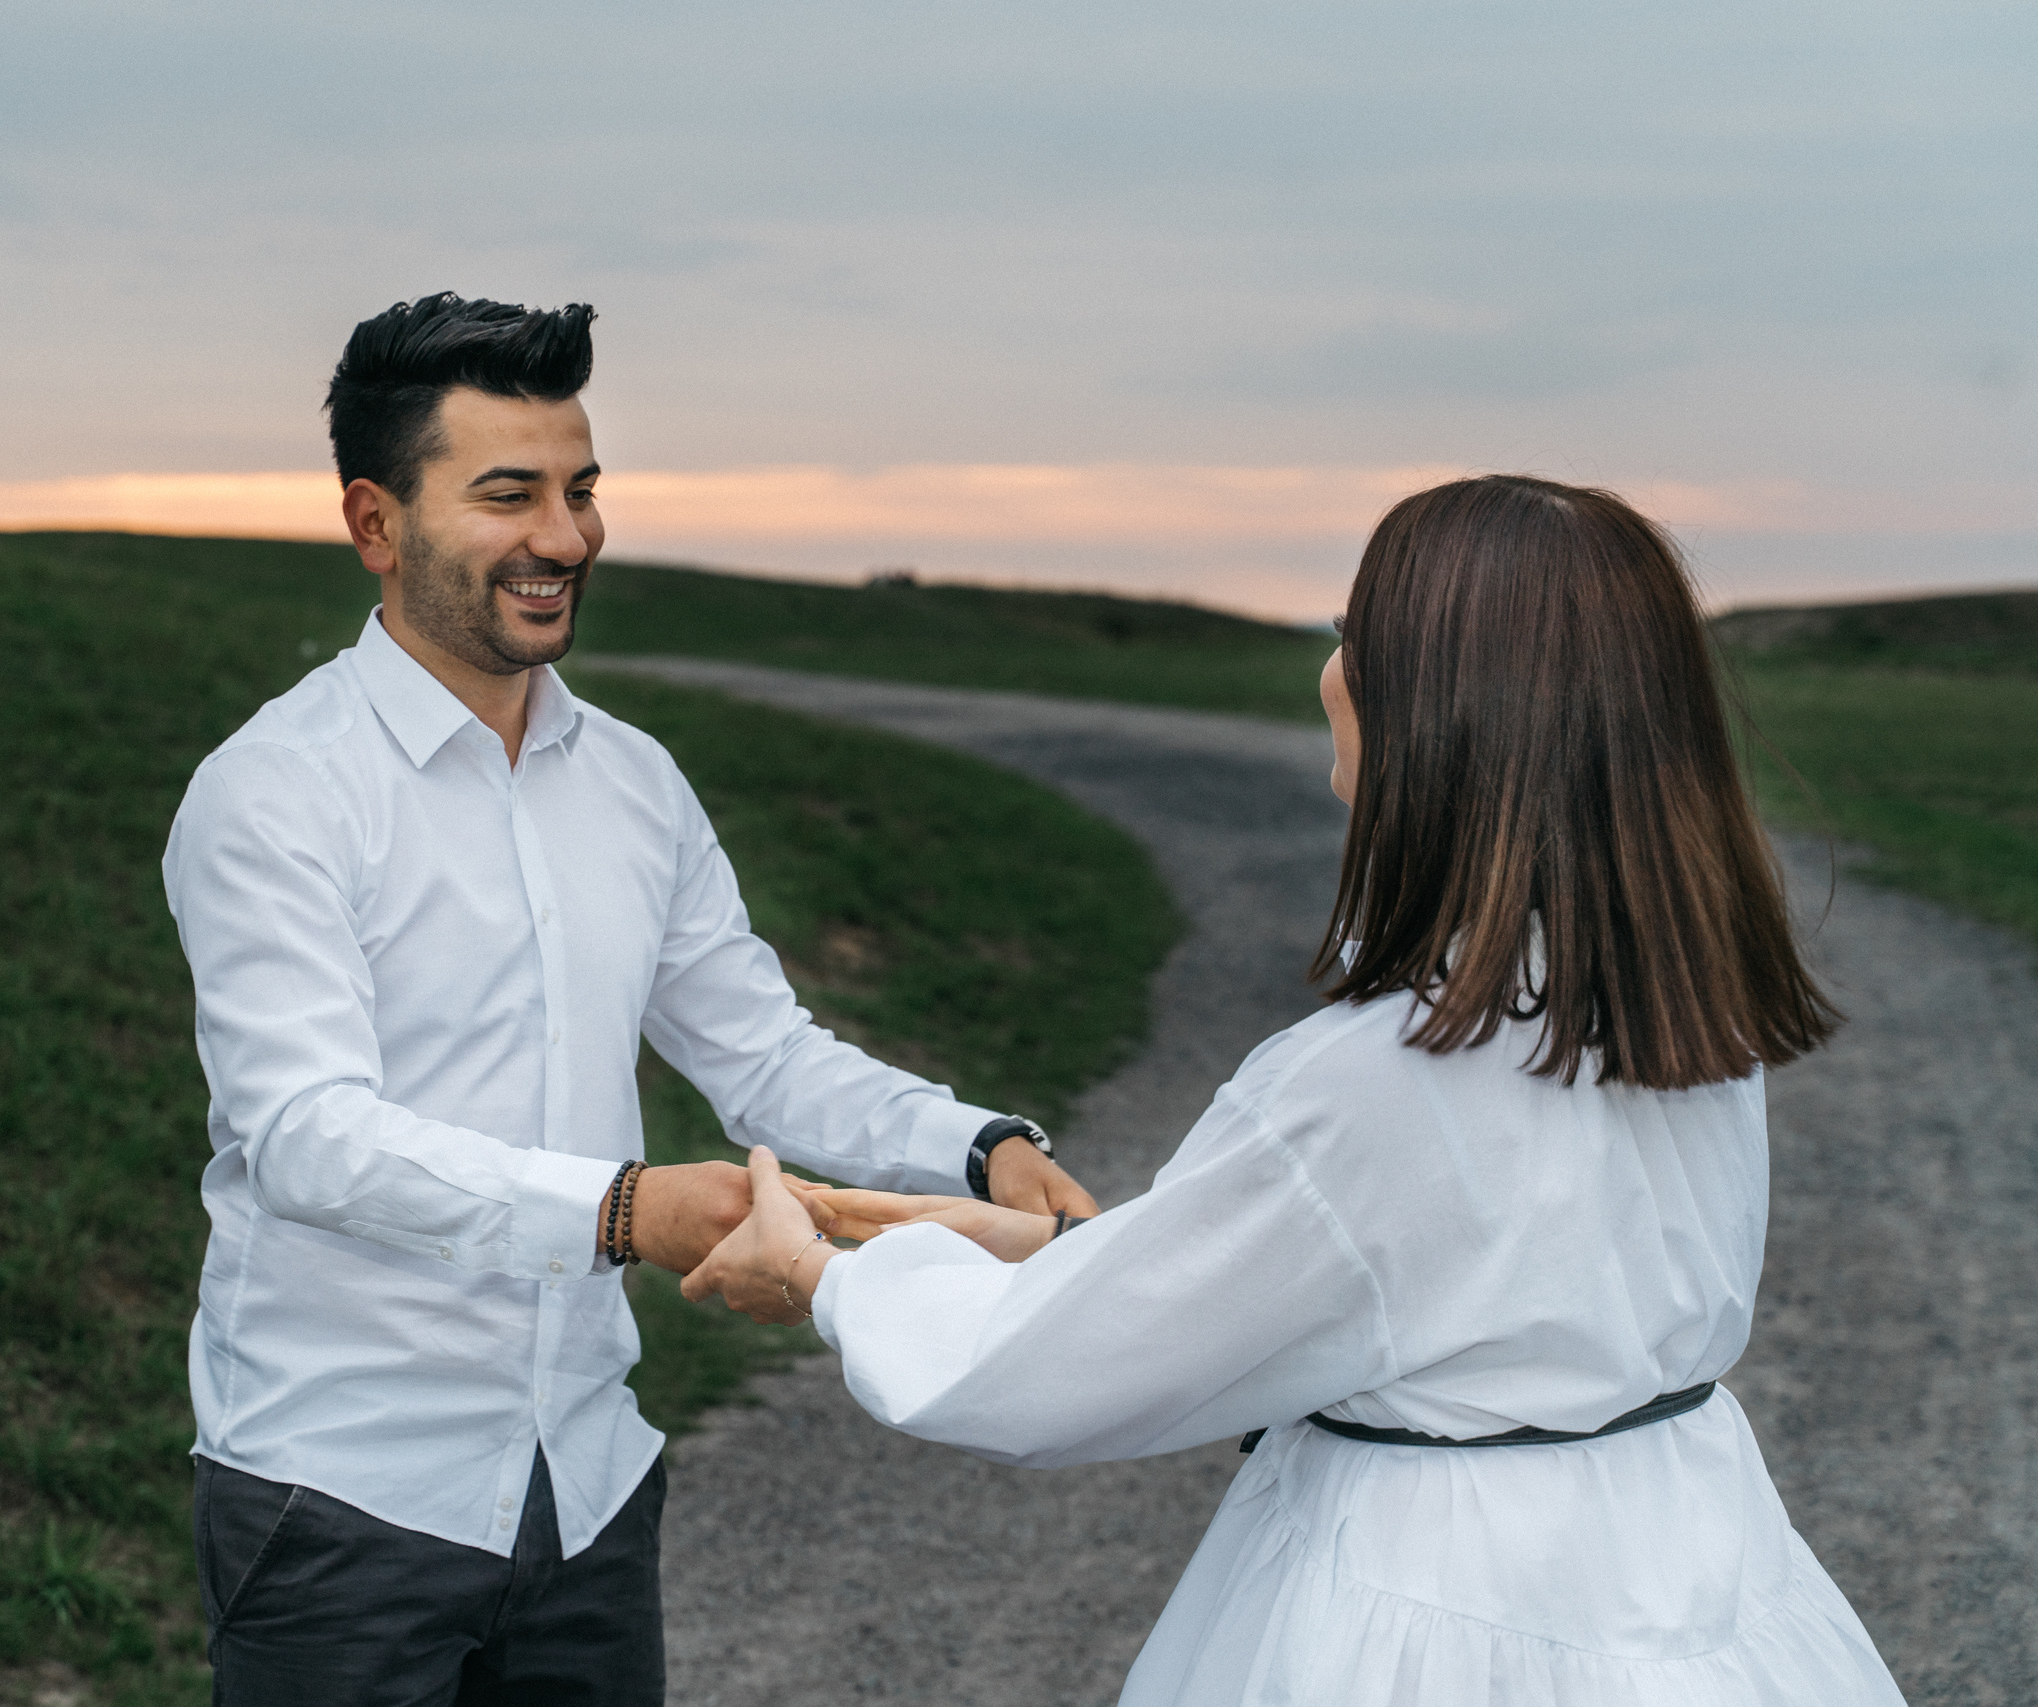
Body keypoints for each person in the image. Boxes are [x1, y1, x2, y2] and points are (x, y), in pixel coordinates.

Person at [689, 475, 1909, 1705]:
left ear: (1437, 708)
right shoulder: (1681, 1013)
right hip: (1694, 1569)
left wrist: (825, 1276)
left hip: (1438, 1617)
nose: (1329, 672)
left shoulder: (1377, 1079)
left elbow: (1041, 1381)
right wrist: (1052, 1247)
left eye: (1348, 637)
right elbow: (1448, 1292)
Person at [161, 292, 1098, 1705]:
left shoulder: (636, 783)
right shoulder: (274, 791)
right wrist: (621, 1209)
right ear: (376, 523)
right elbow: (307, 1136)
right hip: (340, 1499)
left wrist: (979, 1147)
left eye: (582, 490)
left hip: (586, 1490)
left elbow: (766, 1054)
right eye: (508, 493)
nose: (565, 535)